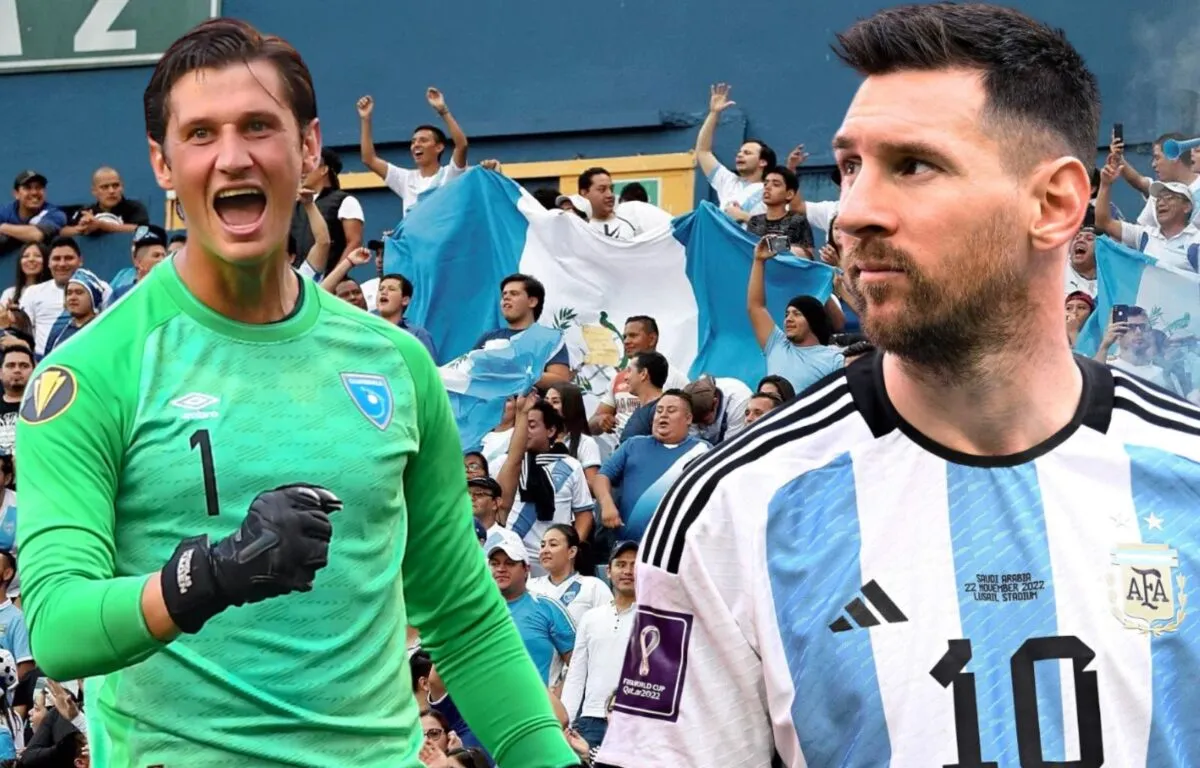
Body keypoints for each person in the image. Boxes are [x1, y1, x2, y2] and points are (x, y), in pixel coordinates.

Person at [599, 5, 1200, 766]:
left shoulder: (1185, 478)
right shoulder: (732, 509)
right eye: (851, 166)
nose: (854, 212)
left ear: (1053, 205)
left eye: (914, 166)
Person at [15, 19, 577, 768]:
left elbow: (465, 619)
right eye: (201, 133)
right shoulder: (91, 372)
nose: (232, 156)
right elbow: (59, 627)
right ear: (162, 162)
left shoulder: (398, 363)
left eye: (258, 126)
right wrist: (215, 574)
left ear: (308, 147)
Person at [593, 390, 709, 544]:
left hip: (674, 544)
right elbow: (602, 476)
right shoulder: (633, 445)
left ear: (688, 418)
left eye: (671, 410)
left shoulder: (703, 451)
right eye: (659, 411)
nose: (663, 415)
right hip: (627, 545)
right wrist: (607, 504)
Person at [560, 540, 637, 753]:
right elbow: (576, 673)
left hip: (634, 719)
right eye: (621, 564)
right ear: (609, 571)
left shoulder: (654, 619)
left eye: (634, 565)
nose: (627, 571)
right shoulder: (591, 617)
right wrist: (566, 721)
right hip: (591, 719)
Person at [748, 237, 845, 393]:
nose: (788, 319)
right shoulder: (777, 345)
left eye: (797, 314)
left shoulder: (834, 359)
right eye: (787, 314)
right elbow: (756, 307)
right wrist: (759, 261)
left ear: (813, 320)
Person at [357, 89, 469, 217]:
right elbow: (369, 159)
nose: (416, 145)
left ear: (439, 147)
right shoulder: (405, 179)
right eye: (413, 141)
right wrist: (365, 119)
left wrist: (443, 110)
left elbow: (461, 145)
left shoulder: (451, 174)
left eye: (423, 140)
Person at [485, 528, 576, 686]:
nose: (500, 569)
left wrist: (558, 695)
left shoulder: (547, 607)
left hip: (539, 700)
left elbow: (578, 664)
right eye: (495, 563)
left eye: (510, 563)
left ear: (526, 569)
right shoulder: (475, 611)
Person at [528, 524, 613, 626]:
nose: (545, 551)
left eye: (553, 544)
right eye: (542, 545)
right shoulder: (529, 586)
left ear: (572, 552)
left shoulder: (594, 586)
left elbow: (610, 624)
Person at [0, 244, 50, 308]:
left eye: (37, 256)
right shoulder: (10, 293)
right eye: (26, 256)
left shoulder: (55, 291)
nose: (31, 259)